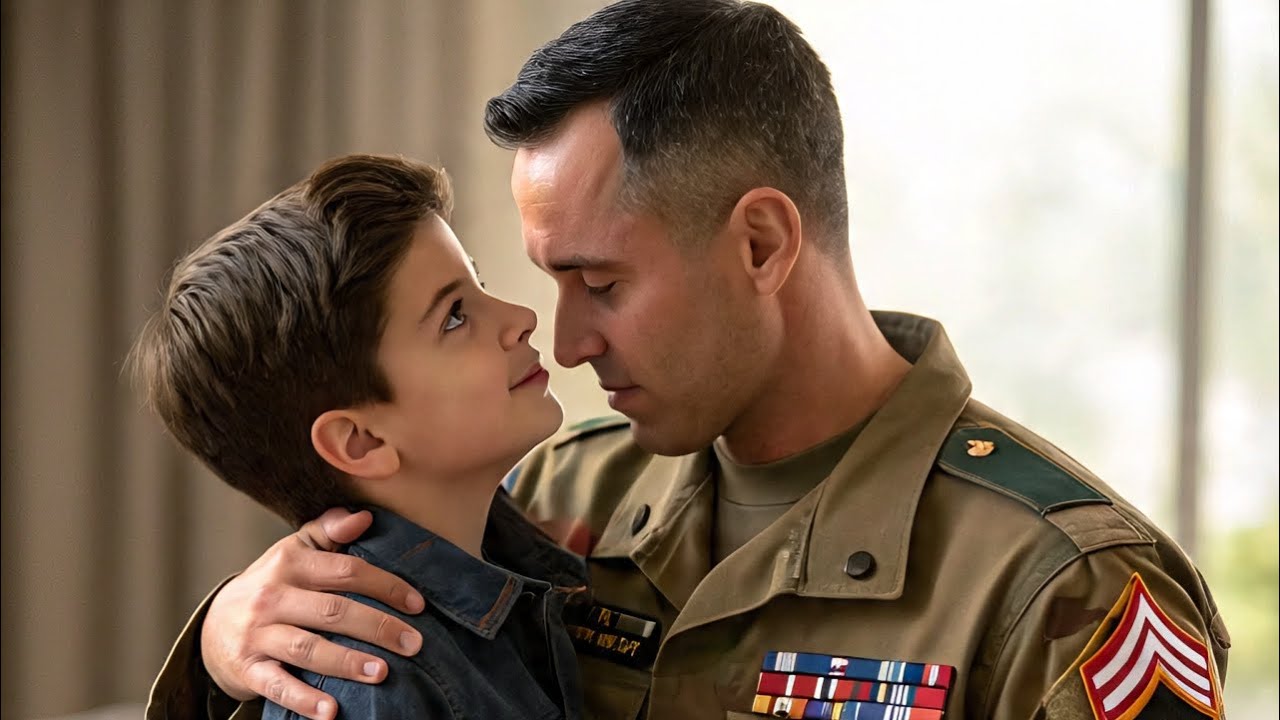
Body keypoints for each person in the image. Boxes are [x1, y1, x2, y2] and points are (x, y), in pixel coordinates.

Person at [147, 2, 1231, 719]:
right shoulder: (555, 496)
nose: (562, 340)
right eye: (545, 280)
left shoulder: (1063, 586)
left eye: (601, 283)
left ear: (759, 245)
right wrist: (226, 642)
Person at [133, 154, 588, 719]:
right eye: (454, 316)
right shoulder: (369, 682)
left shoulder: (524, 570)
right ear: (361, 442)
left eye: (481, 284)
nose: (521, 317)